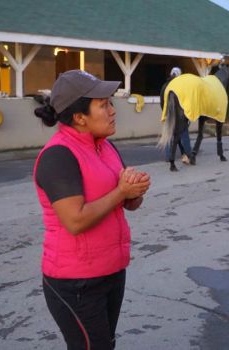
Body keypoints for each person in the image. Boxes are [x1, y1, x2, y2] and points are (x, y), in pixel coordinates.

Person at [33, 69, 151, 350]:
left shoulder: (105, 147)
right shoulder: (58, 156)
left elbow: (125, 204)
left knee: (105, 343)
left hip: (110, 271)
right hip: (76, 282)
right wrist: (121, 191)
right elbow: (75, 220)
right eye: (104, 104)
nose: (112, 111)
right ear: (79, 117)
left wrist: (134, 191)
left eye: (111, 103)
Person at [160, 67, 192, 164]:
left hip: (168, 116)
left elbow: (162, 101)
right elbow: (186, 102)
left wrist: (165, 113)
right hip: (181, 117)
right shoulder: (181, 87)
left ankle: (168, 156)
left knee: (168, 135)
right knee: (184, 135)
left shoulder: (164, 86)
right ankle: (188, 155)